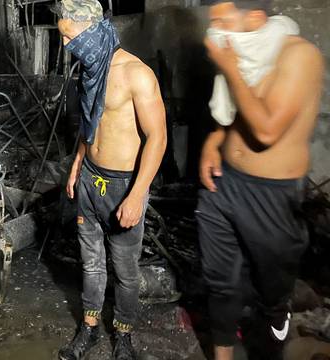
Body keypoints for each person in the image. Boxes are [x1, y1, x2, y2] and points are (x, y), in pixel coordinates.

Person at [197, 1, 324, 359]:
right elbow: (237, 109)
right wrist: (215, 138)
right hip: (224, 183)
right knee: (219, 280)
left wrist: (229, 67)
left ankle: (271, 338)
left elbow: (267, 129)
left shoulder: (298, 55)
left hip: (272, 193)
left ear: (254, 17)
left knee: (271, 289)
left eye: (222, 21)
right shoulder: (247, 51)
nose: (213, 32)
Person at [52, 1, 167, 359]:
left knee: (125, 270)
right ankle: (88, 328)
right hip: (90, 180)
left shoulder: (137, 74)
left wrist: (136, 196)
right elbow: (91, 125)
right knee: (90, 263)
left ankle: (123, 334)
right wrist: (76, 165)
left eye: (69, 36)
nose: (66, 45)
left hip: (123, 186)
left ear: (90, 29)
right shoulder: (91, 69)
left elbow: (158, 138)